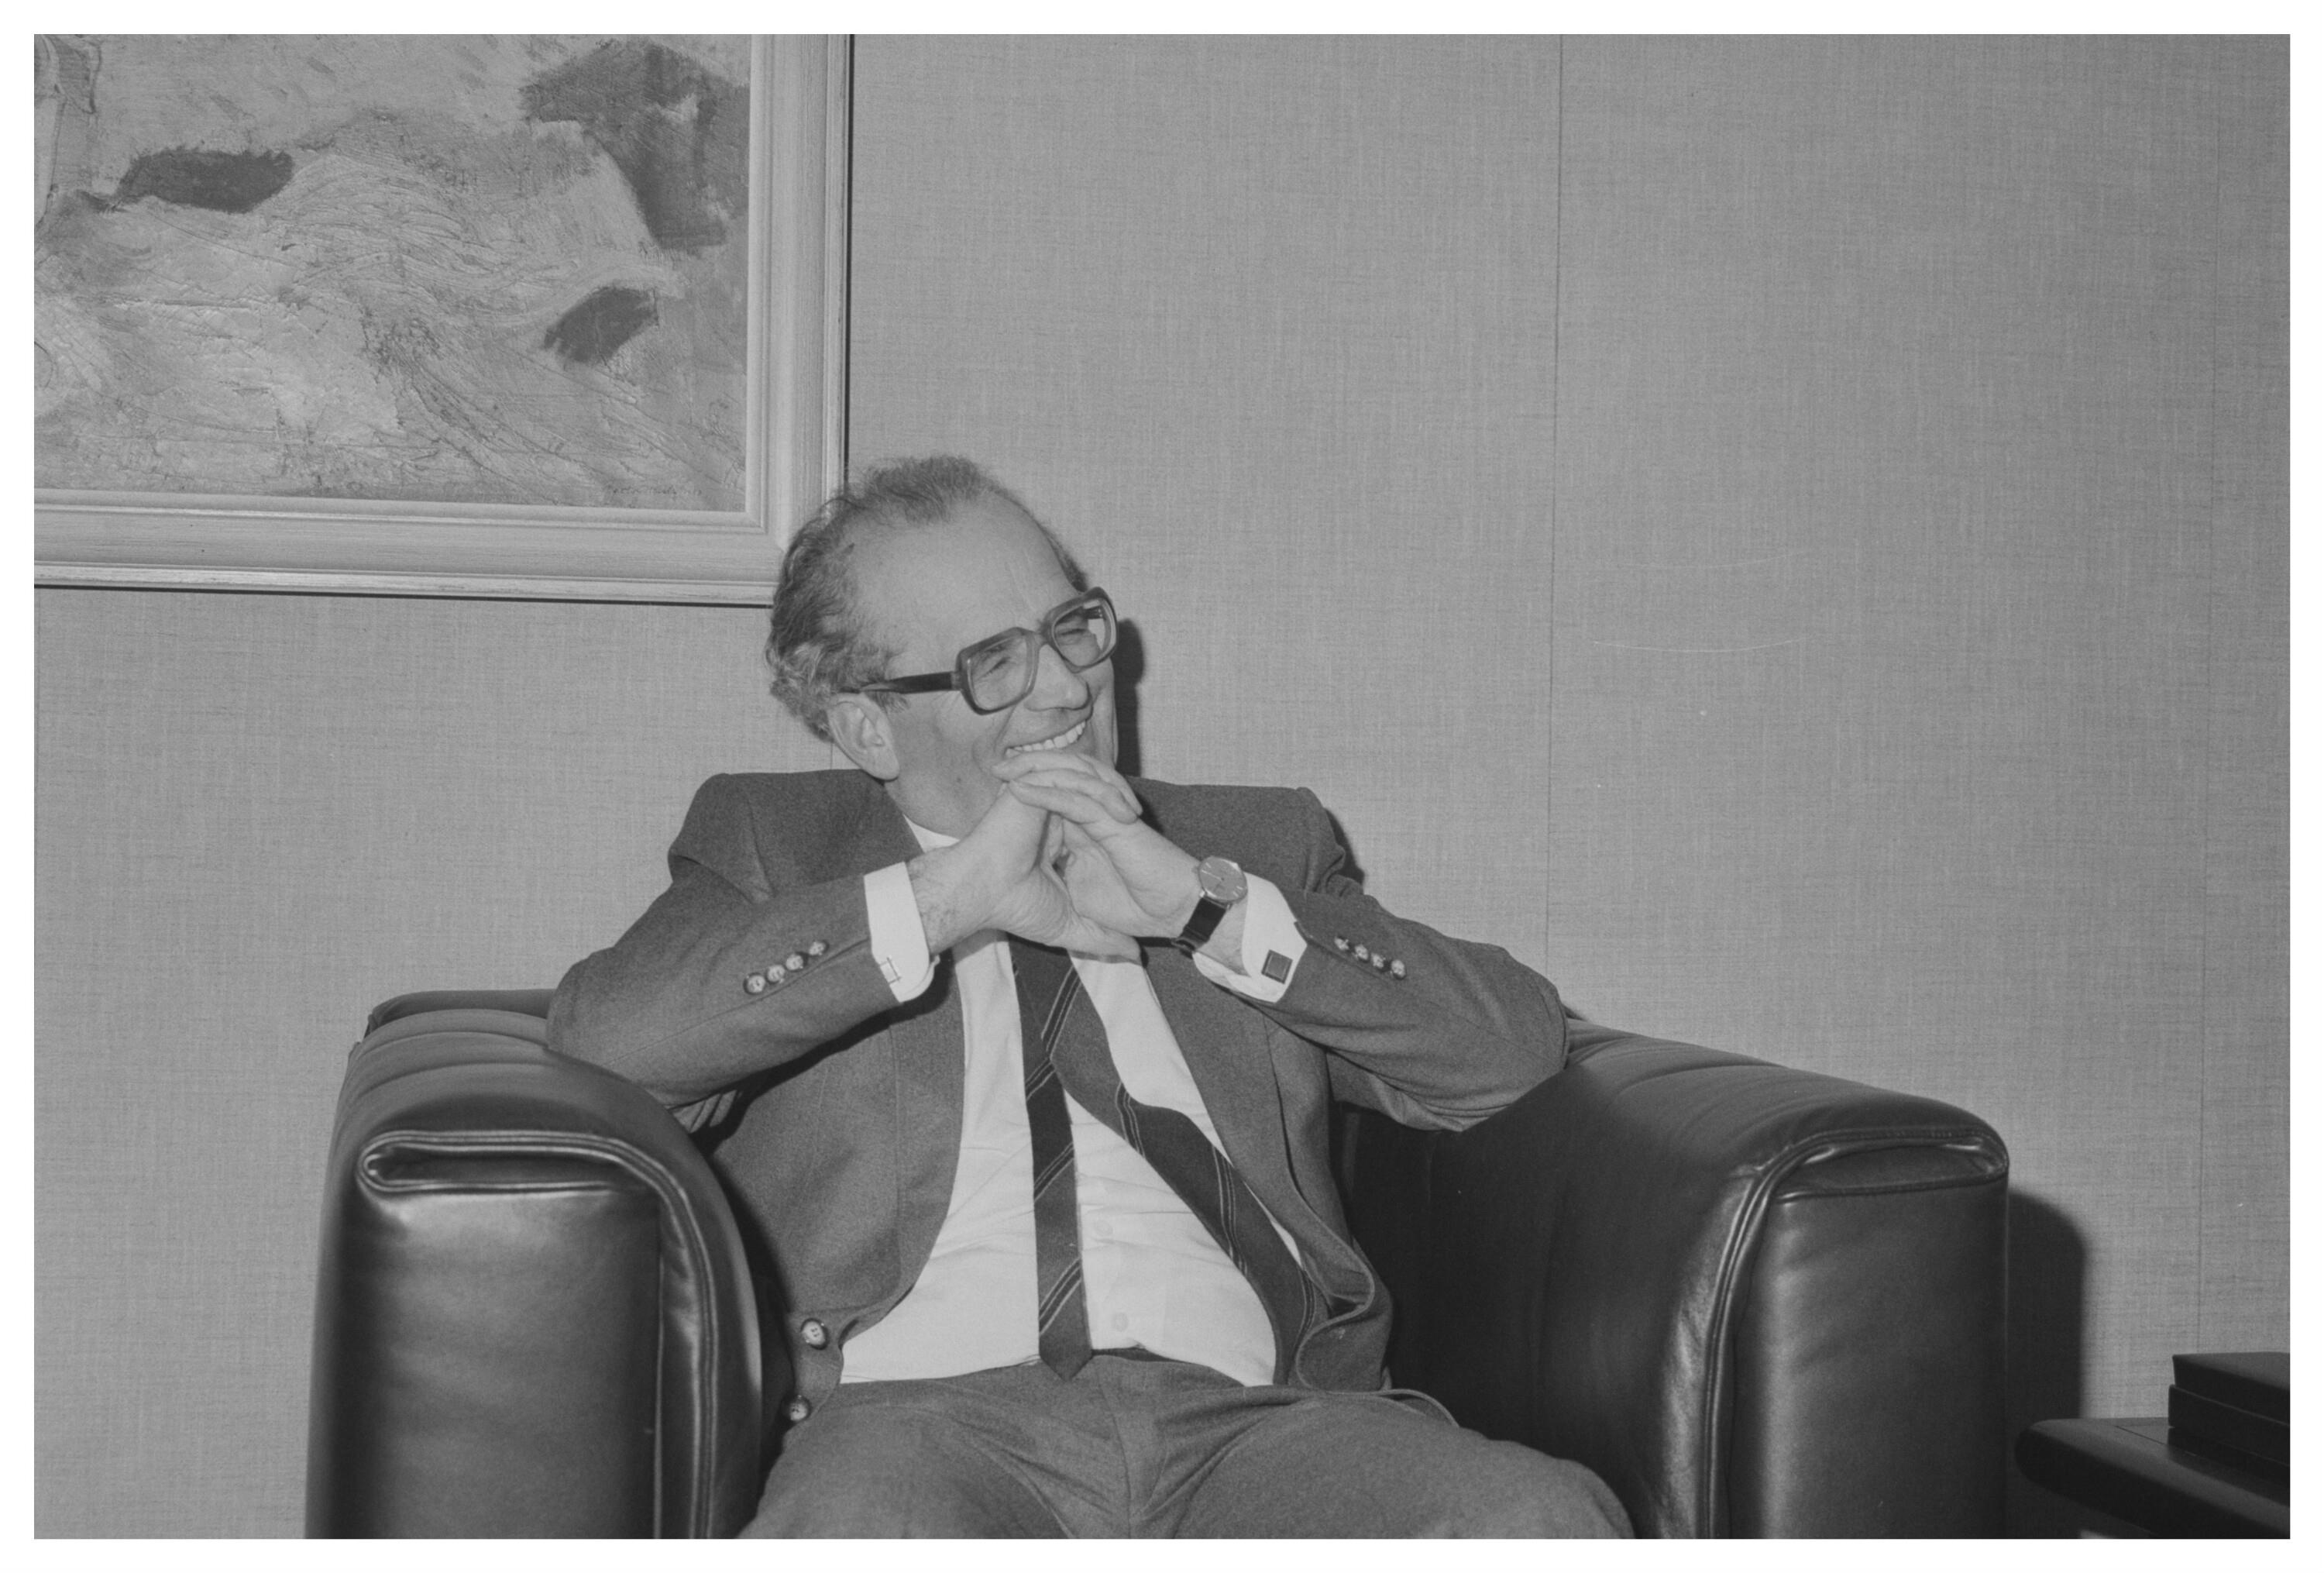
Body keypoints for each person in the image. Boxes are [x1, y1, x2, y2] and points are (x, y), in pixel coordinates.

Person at [548, 456, 1628, 1537]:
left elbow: (1513, 1049)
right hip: (916, 1433)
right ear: (868, 725)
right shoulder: (777, 846)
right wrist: (948, 897)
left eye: (1071, 629)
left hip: (1260, 1432)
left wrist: (1201, 908)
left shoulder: (1247, 844)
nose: (1067, 687)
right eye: (995, 662)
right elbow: (611, 1043)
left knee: (1532, 1522)